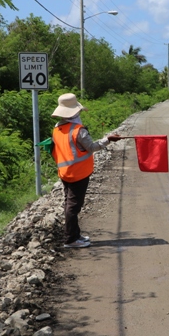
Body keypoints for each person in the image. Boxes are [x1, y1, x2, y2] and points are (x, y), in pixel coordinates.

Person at [51, 93, 122, 248]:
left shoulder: (57, 128)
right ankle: (71, 239)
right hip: (78, 173)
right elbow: (91, 147)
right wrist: (108, 140)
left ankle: (75, 234)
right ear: (75, 112)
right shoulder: (78, 130)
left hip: (64, 172)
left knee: (69, 203)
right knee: (73, 206)